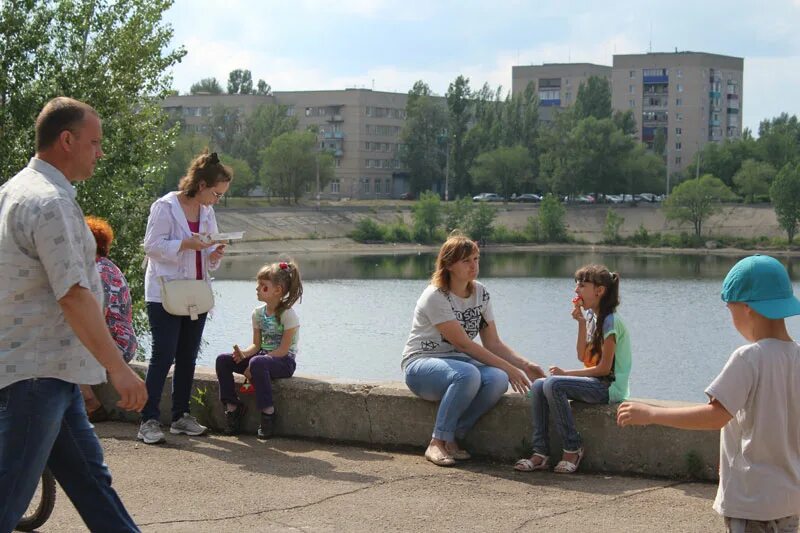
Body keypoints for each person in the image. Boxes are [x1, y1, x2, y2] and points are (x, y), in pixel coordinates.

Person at [0, 97, 146, 532]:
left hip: (45, 374)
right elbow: (74, 295)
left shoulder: (12, 190)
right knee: (7, 497)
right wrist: (117, 369)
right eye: (95, 142)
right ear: (67, 140)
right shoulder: (52, 203)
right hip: (38, 377)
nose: (100, 153)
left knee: (93, 486)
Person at [618, 255, 800, 532]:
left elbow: (715, 416)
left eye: (730, 308)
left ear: (747, 308)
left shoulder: (749, 357)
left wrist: (651, 413)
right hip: (790, 499)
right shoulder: (796, 356)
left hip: (752, 501)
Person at [401, 234, 545, 467]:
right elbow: (464, 344)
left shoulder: (481, 293)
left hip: (461, 364)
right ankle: (436, 442)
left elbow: (493, 343)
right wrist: (510, 368)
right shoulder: (435, 296)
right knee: (469, 374)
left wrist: (524, 366)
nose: (474, 266)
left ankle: (453, 436)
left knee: (498, 378)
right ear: (448, 265)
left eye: (476, 259)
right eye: (466, 261)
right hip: (421, 364)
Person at [138, 149, 232, 445]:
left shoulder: (207, 212)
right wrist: (185, 244)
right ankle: (148, 420)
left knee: (188, 355)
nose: (217, 200)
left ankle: (180, 415)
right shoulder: (165, 206)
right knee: (163, 354)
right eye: (217, 194)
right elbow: (151, 246)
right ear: (202, 186)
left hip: (195, 291)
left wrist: (214, 253)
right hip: (166, 291)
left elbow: (206, 254)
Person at [515, 264, 631, 474]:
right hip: (597, 382)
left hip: (609, 387)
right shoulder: (594, 318)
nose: (576, 291)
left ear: (600, 290)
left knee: (553, 383)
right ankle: (540, 452)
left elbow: (604, 369)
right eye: (576, 285)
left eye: (582, 286)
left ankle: (573, 448)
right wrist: (580, 323)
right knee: (541, 384)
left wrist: (566, 374)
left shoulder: (610, 321)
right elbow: (584, 357)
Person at [216, 260, 303, 439]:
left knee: (258, 362)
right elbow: (256, 345)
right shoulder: (257, 313)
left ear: (277, 290)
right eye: (258, 284)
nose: (257, 288)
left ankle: (268, 413)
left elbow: (283, 350)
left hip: (284, 362)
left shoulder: (288, 315)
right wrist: (244, 354)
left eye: (263, 286)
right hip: (262, 359)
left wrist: (254, 362)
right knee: (223, 360)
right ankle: (233, 408)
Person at [81, 215, 139, 423]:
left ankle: (91, 403)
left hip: (116, 345)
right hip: (121, 341)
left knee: (60, 350)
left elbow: (94, 316)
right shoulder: (107, 266)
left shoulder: (98, 272)